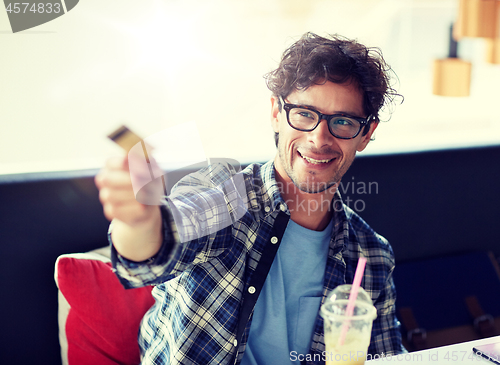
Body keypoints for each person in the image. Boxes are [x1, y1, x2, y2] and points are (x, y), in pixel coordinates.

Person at [95, 32, 405, 365]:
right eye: (304, 114)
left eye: (343, 122)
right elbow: (151, 253)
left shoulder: (371, 256)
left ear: (366, 134)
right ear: (276, 112)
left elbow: (386, 358)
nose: (319, 139)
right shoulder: (225, 196)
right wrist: (141, 221)